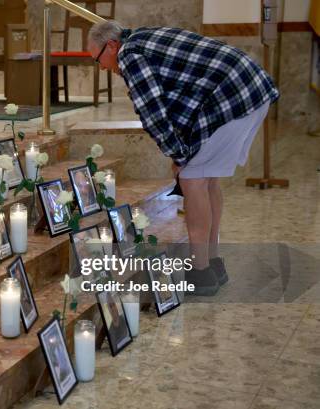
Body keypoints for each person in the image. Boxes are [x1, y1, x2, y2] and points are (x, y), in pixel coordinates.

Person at [88, 21, 279, 296]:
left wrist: (179, 156)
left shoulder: (130, 56)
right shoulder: (143, 36)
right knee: (207, 180)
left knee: (192, 180)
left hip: (232, 97)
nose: (103, 67)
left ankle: (200, 272)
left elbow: (153, 112)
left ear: (112, 45)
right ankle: (213, 264)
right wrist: (182, 152)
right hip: (247, 89)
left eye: (99, 59)